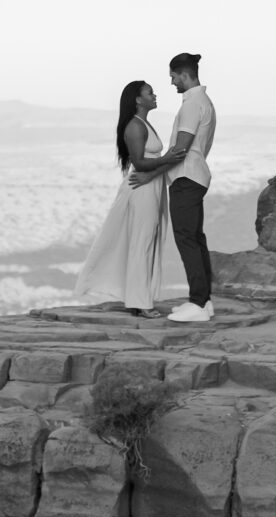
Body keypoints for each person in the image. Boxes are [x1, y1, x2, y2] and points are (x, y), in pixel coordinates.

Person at [70, 79, 182, 313]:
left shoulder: (144, 124)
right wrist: (167, 159)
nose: (155, 95)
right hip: (141, 189)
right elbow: (140, 164)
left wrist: (163, 164)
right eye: (150, 93)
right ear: (138, 99)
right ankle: (141, 303)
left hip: (151, 185)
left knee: (148, 240)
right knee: (142, 242)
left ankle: (139, 298)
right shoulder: (135, 126)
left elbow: (151, 164)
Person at [129, 51, 216, 322]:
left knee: (187, 240)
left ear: (184, 74)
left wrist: (149, 175)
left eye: (173, 77)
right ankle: (203, 301)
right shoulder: (202, 101)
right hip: (193, 177)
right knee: (195, 239)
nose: (171, 83)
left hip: (186, 178)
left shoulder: (192, 104)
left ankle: (199, 304)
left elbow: (180, 150)